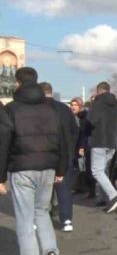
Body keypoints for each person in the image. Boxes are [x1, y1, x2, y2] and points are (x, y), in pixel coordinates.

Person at [0, 68, 68, 255]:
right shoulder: (52, 110)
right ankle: (50, 252)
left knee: (25, 217)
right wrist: (61, 170)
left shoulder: (10, 109)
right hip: (48, 167)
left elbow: (3, 144)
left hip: (22, 168)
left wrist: (0, 177)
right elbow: (62, 141)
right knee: (42, 211)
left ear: (18, 83)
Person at [39, 83, 79, 233]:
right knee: (64, 189)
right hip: (65, 154)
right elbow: (75, 131)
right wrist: (71, 147)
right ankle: (67, 219)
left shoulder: (38, 109)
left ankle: (42, 217)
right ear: (51, 92)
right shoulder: (64, 109)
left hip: (45, 155)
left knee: (43, 189)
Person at [87, 81, 117, 214]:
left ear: (99, 91)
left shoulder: (96, 104)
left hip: (98, 141)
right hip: (111, 142)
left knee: (97, 171)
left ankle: (113, 196)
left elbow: (89, 121)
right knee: (104, 171)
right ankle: (105, 197)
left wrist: (89, 134)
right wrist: (115, 133)